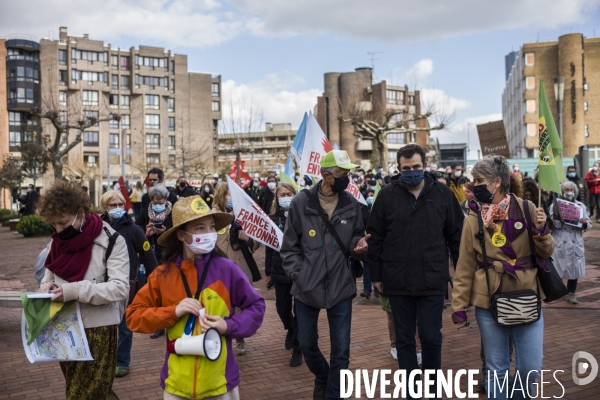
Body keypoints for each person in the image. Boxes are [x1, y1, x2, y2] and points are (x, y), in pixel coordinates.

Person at [126, 196, 265, 400]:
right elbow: (133, 316)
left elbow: (256, 306)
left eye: (211, 227)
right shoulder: (162, 275)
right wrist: (172, 312)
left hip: (220, 384)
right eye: (200, 227)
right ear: (181, 235)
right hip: (176, 386)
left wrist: (229, 326)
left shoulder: (227, 269)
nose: (209, 233)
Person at [451, 155, 554, 398]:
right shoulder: (473, 219)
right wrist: (458, 304)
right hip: (489, 301)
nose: (473, 185)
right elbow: (465, 266)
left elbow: (547, 252)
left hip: (526, 296)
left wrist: (541, 232)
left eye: (479, 180)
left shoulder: (527, 208)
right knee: (496, 368)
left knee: (530, 368)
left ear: (497, 182)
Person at [367, 144, 463, 398]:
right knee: (405, 340)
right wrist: (376, 276)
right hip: (397, 280)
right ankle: (411, 391)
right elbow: (375, 238)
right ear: (399, 169)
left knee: (431, 337)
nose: (411, 172)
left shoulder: (442, 193)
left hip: (432, 278)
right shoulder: (387, 196)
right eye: (406, 168)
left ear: (425, 166)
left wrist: (462, 275)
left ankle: (431, 389)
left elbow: (456, 236)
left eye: (416, 167)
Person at [281, 149, 369, 400]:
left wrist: (358, 247)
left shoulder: (352, 204)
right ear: (327, 175)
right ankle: (323, 376)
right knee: (307, 344)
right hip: (307, 287)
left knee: (341, 350)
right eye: (343, 173)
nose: (347, 178)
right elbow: (289, 246)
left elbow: (355, 238)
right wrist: (299, 274)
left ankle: (333, 394)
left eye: (349, 173)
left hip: (341, 285)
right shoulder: (301, 202)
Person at [37, 180, 130, 399]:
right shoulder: (57, 242)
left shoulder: (112, 241)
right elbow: (50, 270)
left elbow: (119, 289)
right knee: (81, 388)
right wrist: (45, 284)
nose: (59, 230)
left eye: (63, 222)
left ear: (80, 214)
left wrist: (74, 290)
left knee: (84, 394)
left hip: (98, 327)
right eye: (54, 225)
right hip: (64, 326)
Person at [99, 190, 158, 377]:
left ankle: (122, 361)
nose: (117, 208)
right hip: (103, 284)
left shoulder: (133, 229)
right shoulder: (98, 228)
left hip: (126, 285)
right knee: (105, 326)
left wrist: (154, 279)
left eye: (119, 205)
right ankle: (105, 361)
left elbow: (148, 255)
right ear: (105, 207)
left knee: (124, 327)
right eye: (112, 205)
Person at [213, 183, 261, 355]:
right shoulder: (212, 216)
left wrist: (247, 239)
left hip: (240, 265)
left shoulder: (243, 215)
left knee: (240, 304)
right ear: (221, 195)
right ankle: (220, 337)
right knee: (220, 303)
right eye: (228, 195)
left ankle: (239, 337)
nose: (232, 198)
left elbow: (257, 239)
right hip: (218, 268)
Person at [265, 183, 302, 368]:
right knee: (282, 308)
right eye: (282, 194)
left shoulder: (302, 215)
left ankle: (297, 349)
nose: (285, 197)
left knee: (300, 312)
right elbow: (269, 248)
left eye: (289, 194)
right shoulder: (272, 219)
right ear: (277, 198)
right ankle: (290, 329)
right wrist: (268, 272)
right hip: (280, 271)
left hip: (300, 272)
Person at [550, 181, 592, 304]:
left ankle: (571, 293)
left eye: (571, 189)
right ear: (562, 192)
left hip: (575, 239)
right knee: (558, 267)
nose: (569, 192)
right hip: (560, 239)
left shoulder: (581, 206)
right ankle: (558, 291)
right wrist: (555, 219)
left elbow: (588, 223)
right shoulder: (555, 205)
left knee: (574, 269)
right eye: (566, 189)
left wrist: (584, 222)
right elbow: (554, 224)